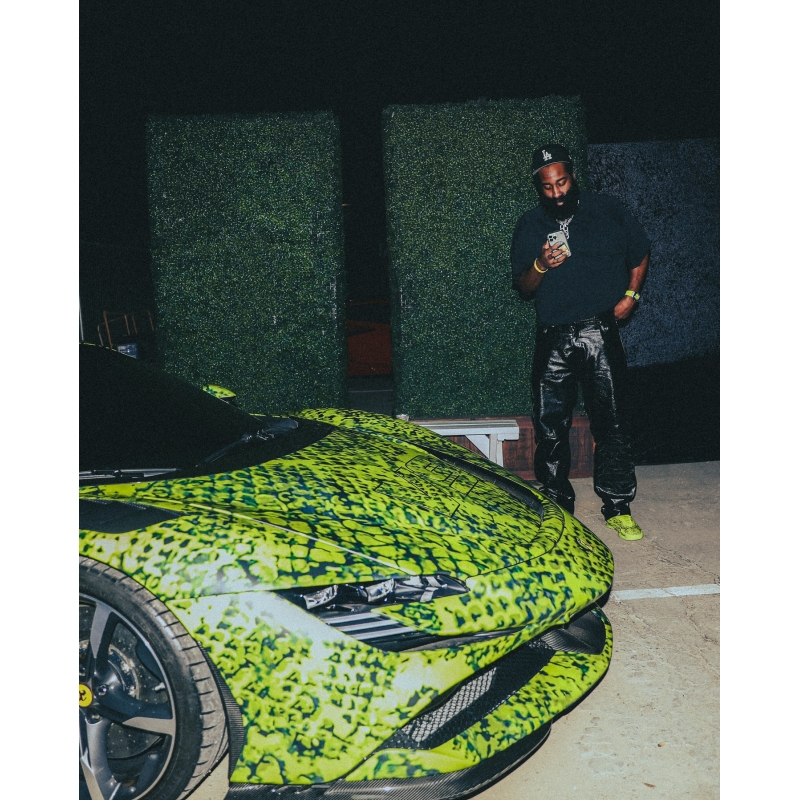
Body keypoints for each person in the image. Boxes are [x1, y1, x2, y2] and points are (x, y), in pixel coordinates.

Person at [510, 143, 650, 540]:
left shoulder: (607, 210)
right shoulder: (530, 224)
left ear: (573, 176)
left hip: (599, 331)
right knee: (550, 426)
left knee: (612, 422)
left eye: (562, 182)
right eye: (547, 186)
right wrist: (540, 264)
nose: (557, 193)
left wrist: (631, 295)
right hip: (553, 335)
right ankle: (557, 505)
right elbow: (523, 286)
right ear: (538, 187)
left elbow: (639, 252)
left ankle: (618, 506)